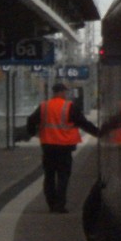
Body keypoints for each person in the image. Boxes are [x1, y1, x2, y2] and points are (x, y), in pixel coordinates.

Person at [26, 83, 100, 213]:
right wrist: (99, 133)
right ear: (61, 92)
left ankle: (51, 204)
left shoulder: (44, 106)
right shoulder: (69, 107)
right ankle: (60, 205)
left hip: (48, 147)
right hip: (64, 148)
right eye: (65, 92)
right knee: (63, 176)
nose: (66, 94)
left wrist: (32, 133)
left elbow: (31, 120)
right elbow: (84, 123)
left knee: (49, 176)